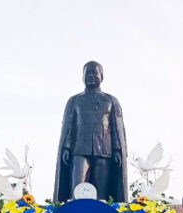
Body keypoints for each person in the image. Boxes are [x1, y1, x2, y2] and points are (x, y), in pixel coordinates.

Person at [53, 60, 128, 202]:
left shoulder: (111, 100)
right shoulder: (74, 101)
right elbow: (69, 126)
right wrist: (66, 147)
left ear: (102, 76)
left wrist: (117, 149)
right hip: (79, 150)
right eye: (87, 73)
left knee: (102, 194)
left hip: (104, 151)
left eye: (94, 72)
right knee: (77, 189)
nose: (91, 76)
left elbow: (116, 128)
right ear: (82, 77)